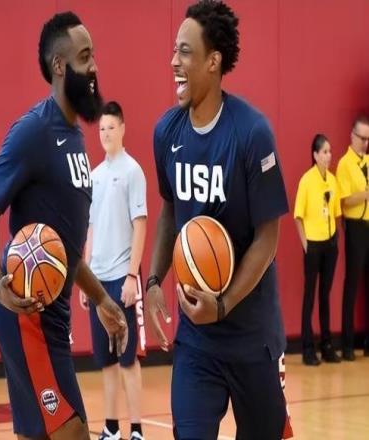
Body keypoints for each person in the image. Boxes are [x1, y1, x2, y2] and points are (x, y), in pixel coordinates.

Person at [0, 12, 128, 440]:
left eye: (93, 55)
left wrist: (102, 298)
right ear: (59, 65)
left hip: (56, 319)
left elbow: (65, 249)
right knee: (72, 433)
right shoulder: (34, 132)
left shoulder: (75, 136)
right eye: (84, 56)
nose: (94, 66)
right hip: (27, 314)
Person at [145, 1, 293, 439]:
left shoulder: (251, 133)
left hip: (253, 336)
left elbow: (268, 237)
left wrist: (224, 304)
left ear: (213, 61)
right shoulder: (166, 133)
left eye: (185, 51)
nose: (174, 61)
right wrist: (154, 280)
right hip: (197, 340)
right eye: (174, 50)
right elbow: (170, 209)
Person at [84, 101, 147, 440]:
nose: (106, 133)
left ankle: (136, 430)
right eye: (102, 129)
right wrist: (85, 279)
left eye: (111, 127)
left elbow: (141, 225)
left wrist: (132, 277)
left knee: (127, 359)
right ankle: (111, 428)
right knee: (106, 362)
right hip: (97, 280)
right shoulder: (94, 176)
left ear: (123, 129)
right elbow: (91, 229)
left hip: (122, 277)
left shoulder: (133, 171)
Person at [294, 134, 342, 366]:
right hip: (313, 245)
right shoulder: (307, 181)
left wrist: (335, 239)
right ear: (315, 155)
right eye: (324, 152)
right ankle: (307, 347)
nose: (328, 156)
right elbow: (298, 216)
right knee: (310, 295)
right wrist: (306, 244)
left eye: (330, 151)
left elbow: (335, 212)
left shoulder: (332, 180)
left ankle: (327, 345)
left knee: (325, 295)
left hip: (330, 244)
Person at [336, 114, 369, 361]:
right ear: (352, 136)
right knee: (352, 283)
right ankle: (347, 344)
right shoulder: (345, 164)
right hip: (355, 226)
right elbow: (345, 200)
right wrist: (365, 194)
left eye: (368, 139)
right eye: (362, 138)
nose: (365, 143)